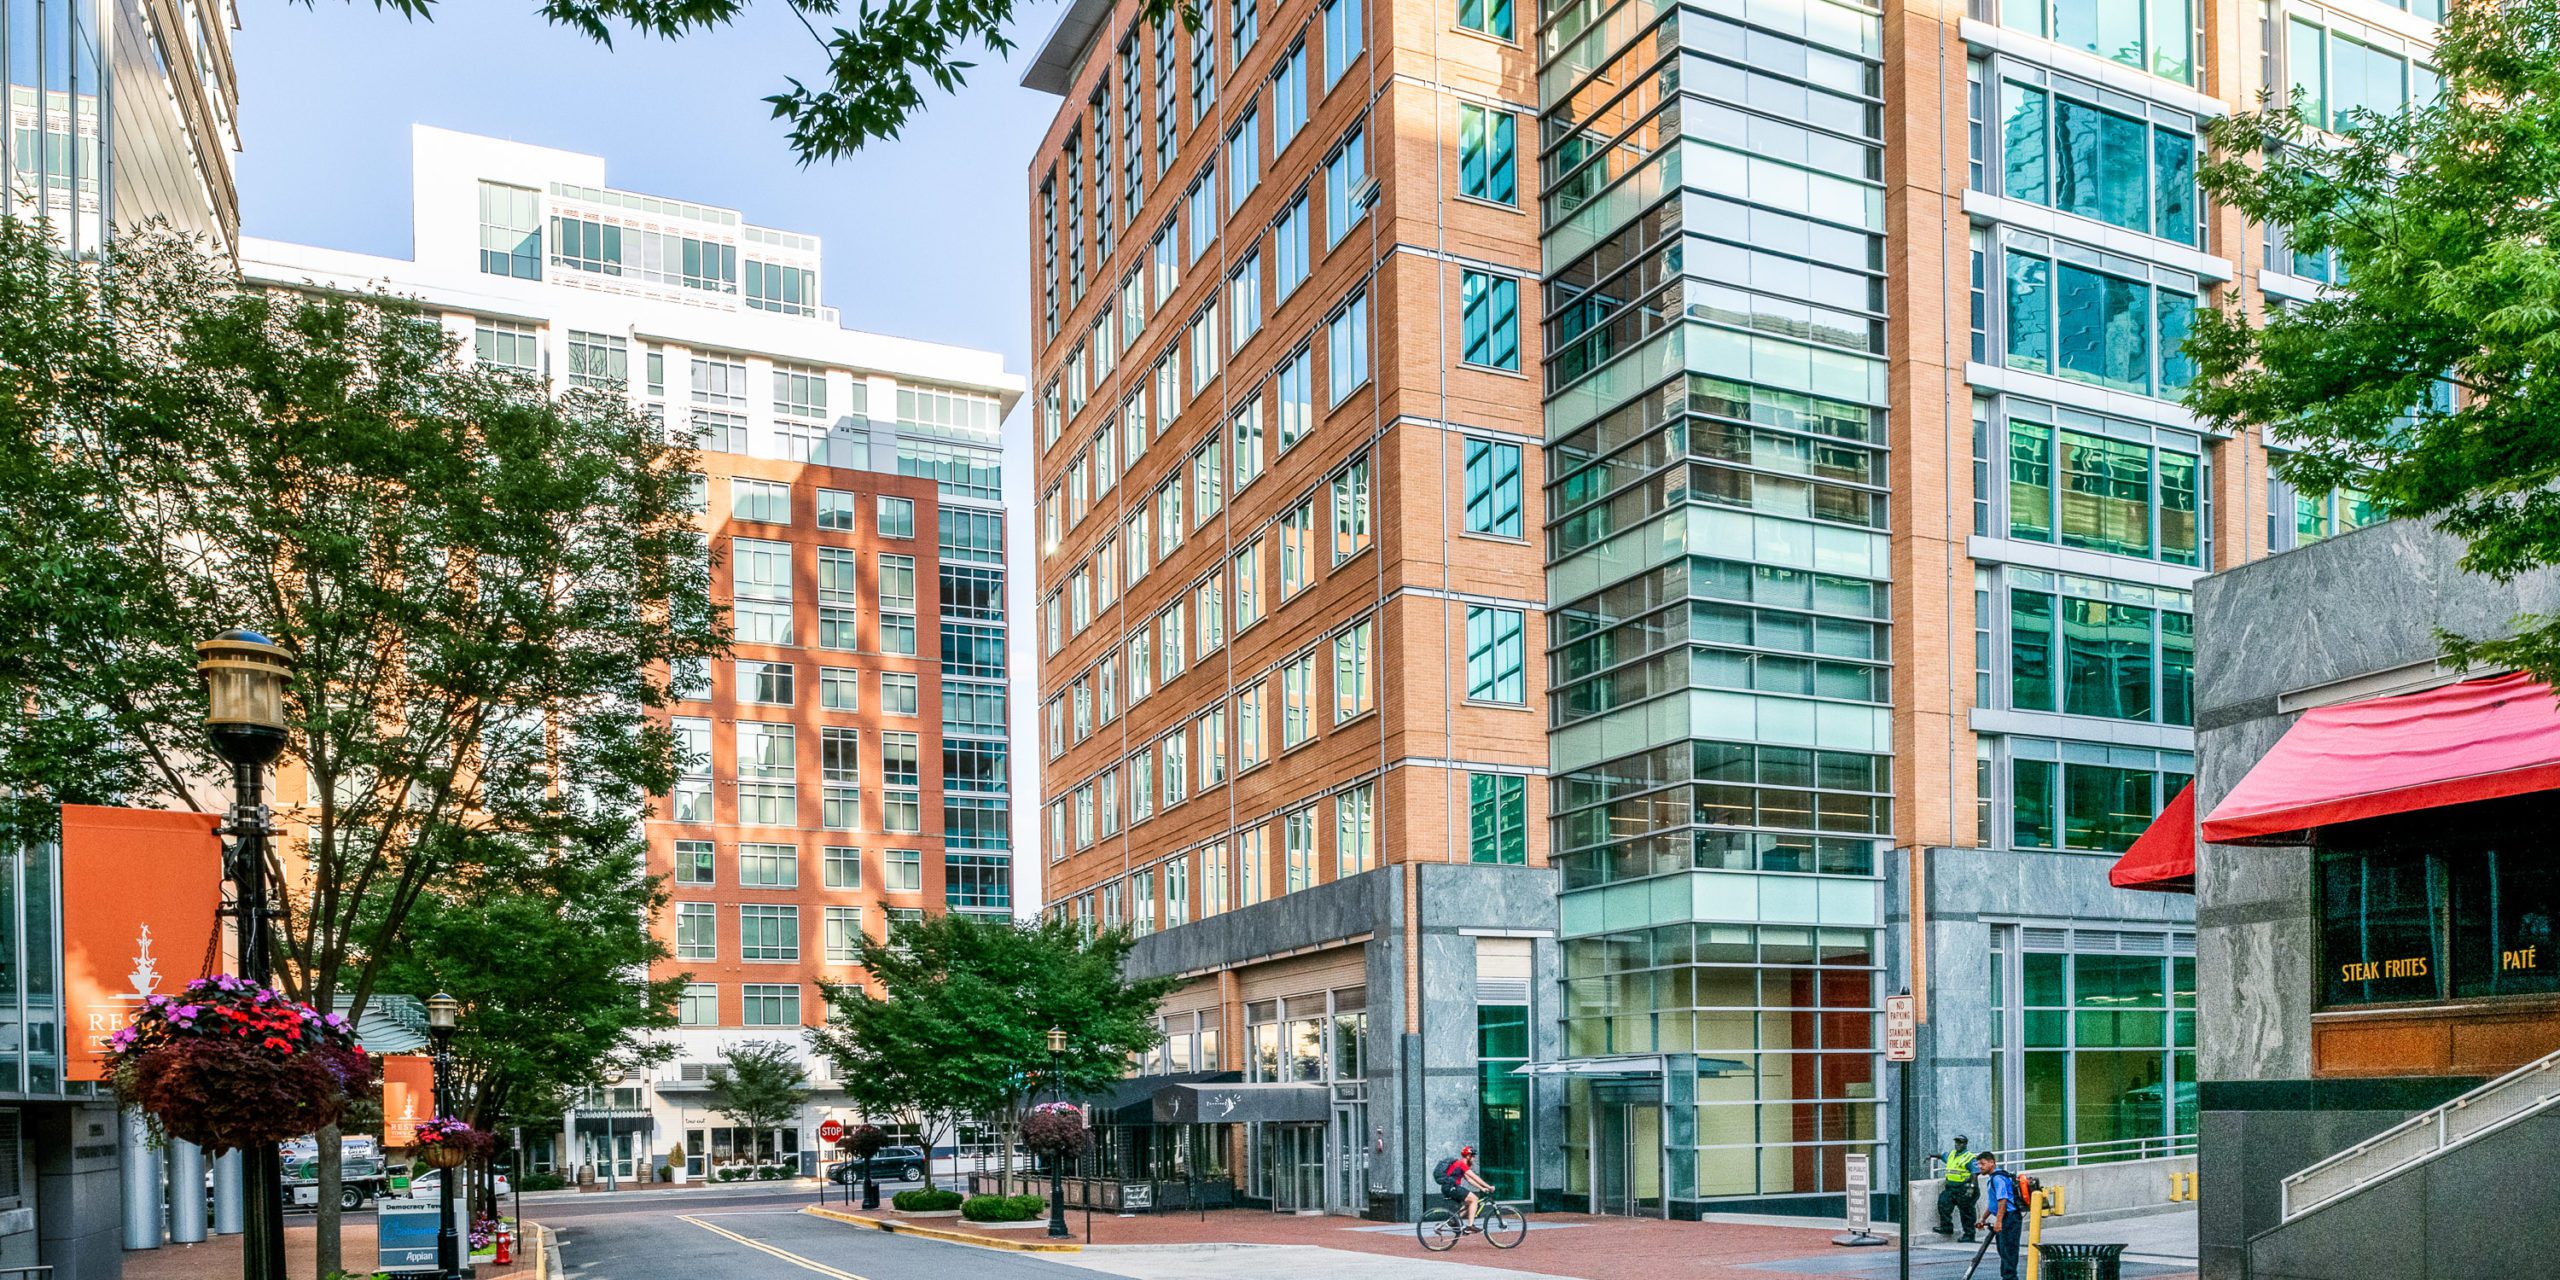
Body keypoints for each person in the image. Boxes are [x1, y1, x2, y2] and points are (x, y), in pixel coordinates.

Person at [1975, 1151, 2024, 1280]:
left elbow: (2002, 1200)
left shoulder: (1998, 1178)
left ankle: (2010, 1278)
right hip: (2005, 1217)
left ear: (1992, 1163)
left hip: (2010, 1218)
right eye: (1979, 1164)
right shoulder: (1993, 1178)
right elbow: (1993, 1204)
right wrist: (1983, 1218)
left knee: (2009, 1251)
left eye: (1983, 1164)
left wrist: (1998, 1221)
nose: (1980, 1166)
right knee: (2003, 1251)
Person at [1433, 1145, 1495, 1229]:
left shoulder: (1459, 1164)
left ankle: (1453, 1221)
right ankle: (1470, 1226)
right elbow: (1474, 1177)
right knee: (1474, 1199)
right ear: (1468, 1156)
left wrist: (1482, 1188)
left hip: (1448, 1187)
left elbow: (1470, 1180)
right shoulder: (1461, 1164)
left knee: (1468, 1204)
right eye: (1473, 1156)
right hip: (1451, 1187)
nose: (1474, 1159)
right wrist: (1489, 1186)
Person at [1936, 1135, 1978, 1242]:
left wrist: (1971, 1188)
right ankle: (1946, 1228)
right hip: (1951, 1188)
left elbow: (1974, 1173)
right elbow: (1942, 1156)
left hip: (1964, 1188)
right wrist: (1931, 1156)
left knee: (1966, 1212)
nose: (1957, 1145)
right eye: (1956, 1142)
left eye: (1960, 1143)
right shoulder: (1951, 1154)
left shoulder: (1969, 1157)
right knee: (1943, 1203)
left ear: (1965, 1144)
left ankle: (1969, 1235)